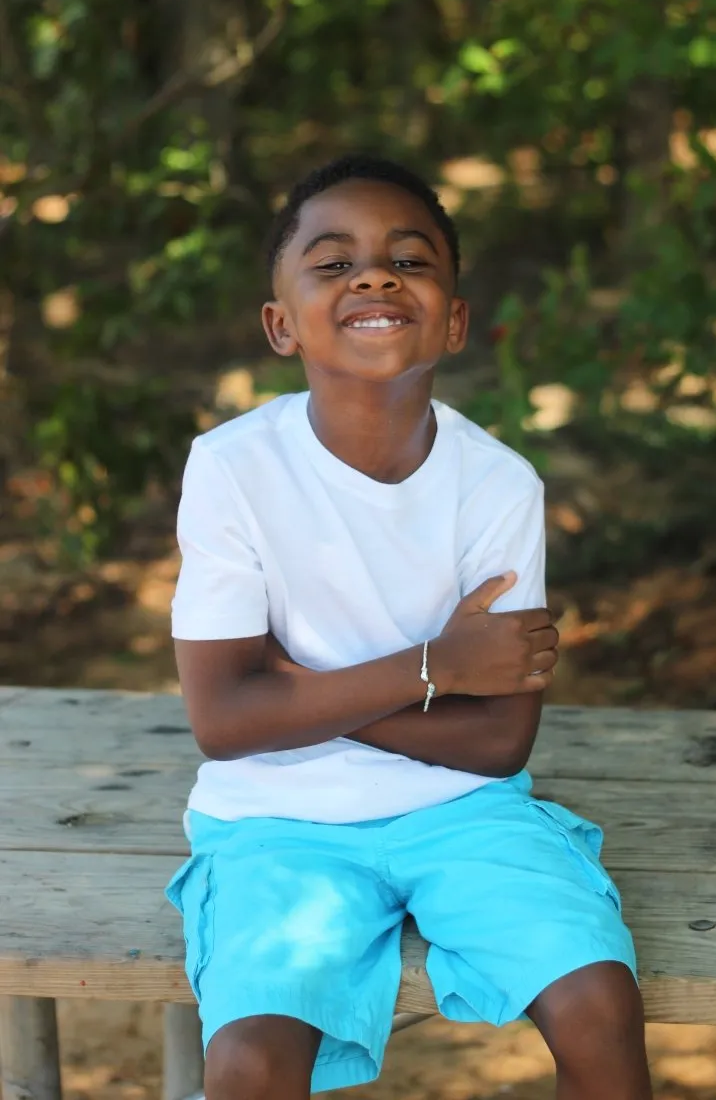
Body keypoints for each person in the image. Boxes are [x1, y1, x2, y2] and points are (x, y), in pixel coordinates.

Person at [167, 154, 651, 1100]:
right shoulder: (232, 470)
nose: (375, 277)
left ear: (456, 320)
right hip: (277, 823)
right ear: (281, 324)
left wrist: (295, 686)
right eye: (334, 262)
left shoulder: (497, 485)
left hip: (465, 815)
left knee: (598, 1002)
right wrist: (437, 665)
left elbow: (500, 739)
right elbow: (224, 724)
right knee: (251, 1058)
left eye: (410, 261)